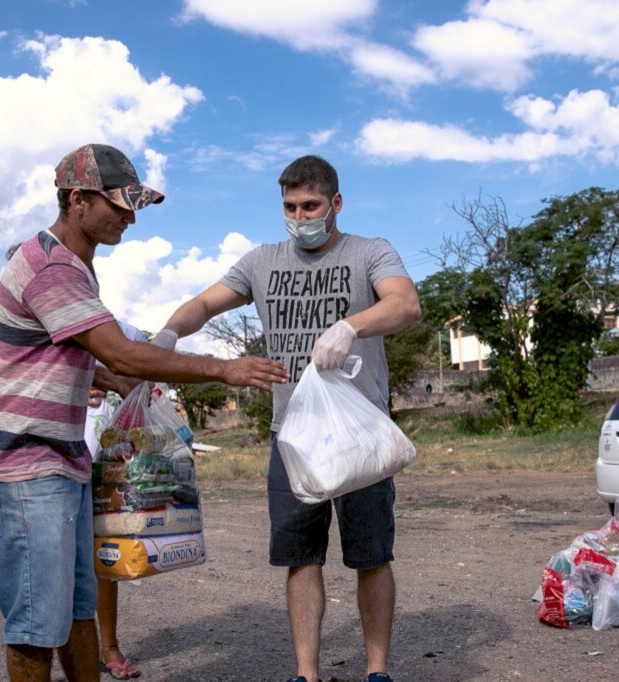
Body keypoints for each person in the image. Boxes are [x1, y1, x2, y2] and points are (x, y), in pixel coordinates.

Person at [0, 143, 288, 682]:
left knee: (75, 609)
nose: (130, 219)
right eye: (118, 205)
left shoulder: (72, 265)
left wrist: (104, 378)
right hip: (22, 469)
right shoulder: (52, 268)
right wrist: (223, 368)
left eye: (134, 207)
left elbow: (51, 356)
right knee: (35, 624)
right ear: (77, 200)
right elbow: (117, 348)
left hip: (60, 463)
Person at [151, 155, 421, 682]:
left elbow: (405, 304)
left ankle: (378, 671)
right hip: (291, 438)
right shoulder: (263, 261)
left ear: (335, 204)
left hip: (360, 436)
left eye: (311, 206)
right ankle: (306, 674)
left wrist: (349, 327)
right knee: (301, 558)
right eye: (290, 208)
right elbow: (205, 304)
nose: (300, 217)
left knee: (372, 555)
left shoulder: (370, 251)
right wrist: (168, 334)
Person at [84, 322, 148, 680]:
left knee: (103, 560)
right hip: (63, 463)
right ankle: (67, 647)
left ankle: (108, 644)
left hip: (107, 472)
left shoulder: (124, 330)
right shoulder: (63, 326)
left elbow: (144, 380)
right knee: (61, 563)